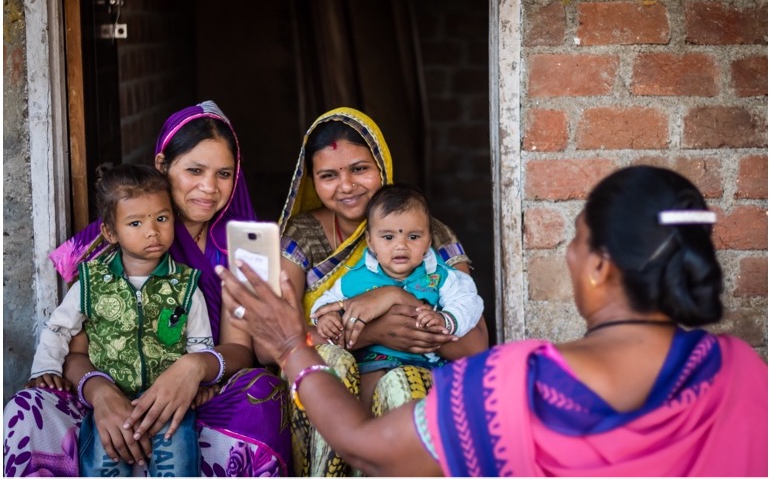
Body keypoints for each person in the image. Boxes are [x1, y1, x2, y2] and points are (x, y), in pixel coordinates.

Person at [220, 165, 768, 476]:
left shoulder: (513, 382)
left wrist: (292, 344)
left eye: (574, 241)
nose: (570, 257)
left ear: (600, 265)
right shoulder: (743, 374)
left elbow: (364, 444)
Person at [4, 101, 291, 477]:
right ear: (162, 165)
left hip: (200, 396)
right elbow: (76, 350)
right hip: (107, 395)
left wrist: (192, 369)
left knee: (264, 395)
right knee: (26, 409)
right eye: (194, 170)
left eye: (224, 173)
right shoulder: (119, 237)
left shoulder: (238, 246)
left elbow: (241, 350)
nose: (209, 187)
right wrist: (101, 394)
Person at [277, 107, 489, 475]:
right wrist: (373, 331)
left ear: (381, 164)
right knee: (330, 364)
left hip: (413, 382)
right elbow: (281, 337)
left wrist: (393, 298)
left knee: (402, 382)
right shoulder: (303, 236)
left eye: (359, 169)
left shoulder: (429, 236)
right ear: (312, 180)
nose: (346, 186)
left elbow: (474, 346)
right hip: (335, 388)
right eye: (329, 175)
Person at [27, 163, 212, 476]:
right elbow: (59, 328)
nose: (152, 231)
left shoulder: (185, 284)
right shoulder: (91, 282)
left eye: (162, 218)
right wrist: (45, 368)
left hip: (164, 405)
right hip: (109, 400)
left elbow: (200, 342)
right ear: (110, 232)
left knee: (178, 463)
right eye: (136, 223)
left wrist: (201, 382)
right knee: (104, 462)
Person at [310, 183, 484, 409]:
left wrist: (446, 320)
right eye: (388, 237)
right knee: (364, 393)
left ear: (429, 241)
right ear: (370, 241)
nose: (401, 246)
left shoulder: (442, 277)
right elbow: (324, 304)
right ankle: (360, 440)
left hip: (427, 367)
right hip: (371, 363)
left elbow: (470, 303)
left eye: (413, 236)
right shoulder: (354, 278)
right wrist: (327, 319)